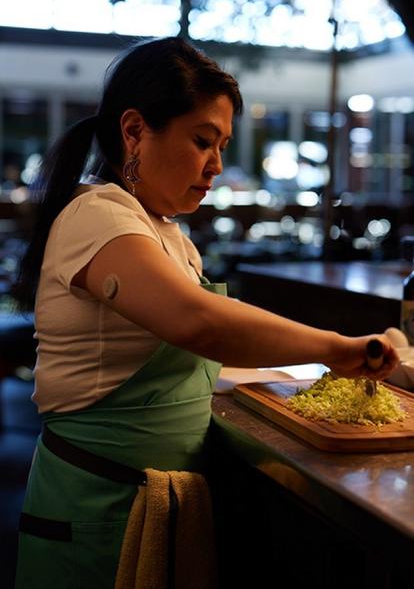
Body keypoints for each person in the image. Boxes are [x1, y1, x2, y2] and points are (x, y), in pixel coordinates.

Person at [12, 36, 398, 589]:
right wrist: (336, 347)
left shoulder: (165, 232)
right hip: (98, 509)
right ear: (134, 131)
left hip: (148, 500)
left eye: (222, 146)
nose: (216, 166)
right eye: (202, 141)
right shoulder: (96, 215)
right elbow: (199, 322)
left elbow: (197, 350)